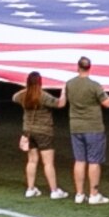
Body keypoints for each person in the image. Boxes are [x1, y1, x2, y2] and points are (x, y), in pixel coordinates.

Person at [64, 55, 109, 204]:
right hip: (93, 127)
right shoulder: (94, 85)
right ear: (90, 67)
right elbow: (107, 103)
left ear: (77, 67)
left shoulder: (69, 84)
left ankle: (79, 194)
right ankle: (94, 194)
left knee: (79, 160)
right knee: (94, 161)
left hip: (75, 127)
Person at [11, 71, 68, 199]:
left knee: (31, 160)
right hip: (44, 132)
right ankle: (54, 191)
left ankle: (30, 189)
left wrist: (27, 89)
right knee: (48, 163)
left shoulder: (23, 96)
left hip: (28, 132)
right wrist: (64, 92)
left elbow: (14, 97)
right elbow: (61, 103)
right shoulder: (43, 96)